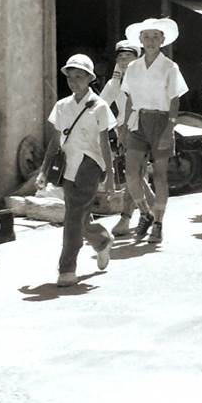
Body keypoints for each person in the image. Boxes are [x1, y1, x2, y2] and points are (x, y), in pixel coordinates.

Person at [38, 54, 116, 287]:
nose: (74, 81)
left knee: (72, 218)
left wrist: (111, 176)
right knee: (78, 217)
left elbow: (104, 144)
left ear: (90, 78)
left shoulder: (99, 106)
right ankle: (102, 240)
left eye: (79, 76)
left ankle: (67, 268)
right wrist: (43, 170)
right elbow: (55, 140)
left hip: (90, 165)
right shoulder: (62, 106)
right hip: (67, 165)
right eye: (70, 77)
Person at [121, 17, 188, 244]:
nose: (150, 41)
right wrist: (123, 126)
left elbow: (175, 100)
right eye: (146, 37)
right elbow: (129, 98)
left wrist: (170, 128)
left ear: (162, 40)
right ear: (140, 39)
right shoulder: (132, 67)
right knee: (131, 173)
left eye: (155, 37)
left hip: (161, 121)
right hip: (138, 121)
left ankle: (158, 223)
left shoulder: (169, 66)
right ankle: (144, 212)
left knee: (159, 175)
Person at [101, 40, 154, 236]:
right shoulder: (115, 83)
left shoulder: (144, 79)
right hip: (124, 131)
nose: (124, 60)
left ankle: (130, 217)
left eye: (128, 56)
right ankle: (146, 211)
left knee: (135, 174)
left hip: (142, 129)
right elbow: (101, 103)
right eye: (120, 57)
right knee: (135, 175)